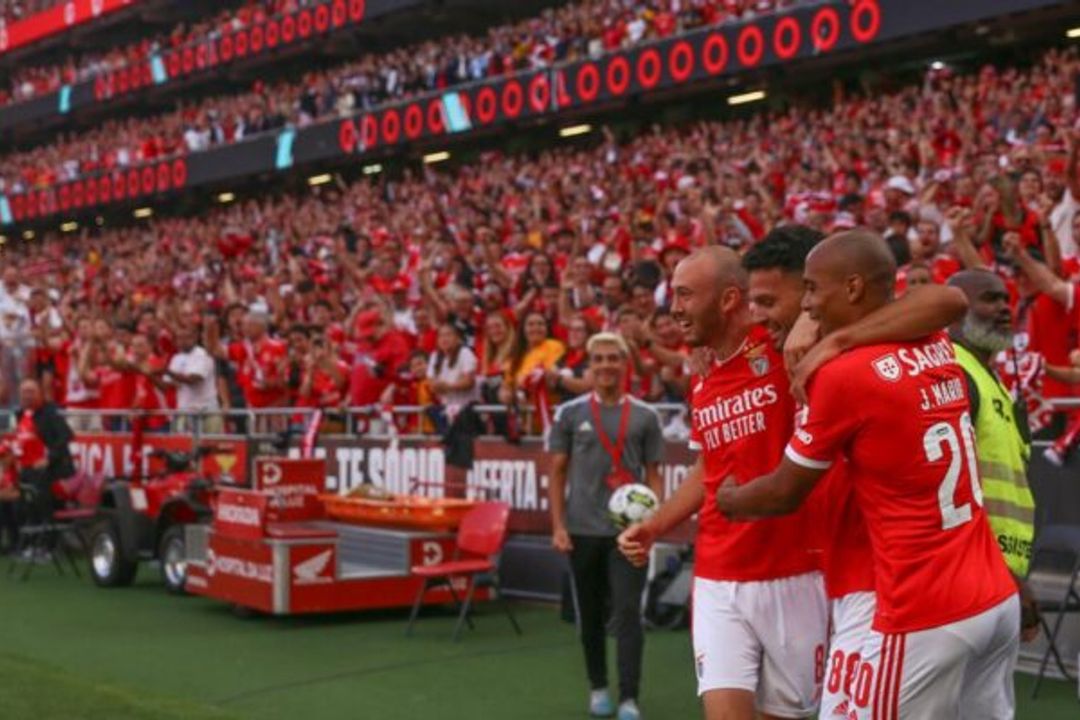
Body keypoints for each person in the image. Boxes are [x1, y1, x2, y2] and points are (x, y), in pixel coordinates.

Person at [717, 231, 1019, 719]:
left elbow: (782, 493)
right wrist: (834, 337)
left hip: (912, 600)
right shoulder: (932, 340)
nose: (810, 305)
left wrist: (728, 499)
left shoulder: (844, 372)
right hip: (990, 594)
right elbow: (944, 300)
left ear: (852, 287)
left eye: (812, 290)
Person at [618, 246, 828, 720]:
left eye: (686, 294)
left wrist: (809, 325)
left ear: (730, 298)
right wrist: (655, 526)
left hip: (794, 569)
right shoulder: (703, 374)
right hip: (717, 573)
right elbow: (708, 469)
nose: (674, 307)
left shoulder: (785, 348)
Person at [547, 332, 663, 720]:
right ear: (589, 367)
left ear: (625, 364)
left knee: (629, 613)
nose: (606, 366)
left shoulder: (646, 416)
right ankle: (598, 687)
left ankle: (629, 697)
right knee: (591, 616)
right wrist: (558, 526)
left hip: (629, 535)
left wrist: (653, 525)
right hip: (582, 531)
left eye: (614, 358)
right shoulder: (570, 413)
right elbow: (557, 471)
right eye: (598, 360)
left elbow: (654, 474)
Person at [948, 269, 1041, 643]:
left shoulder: (990, 379)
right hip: (973, 577)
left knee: (990, 705)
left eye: (1006, 299)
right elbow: (953, 490)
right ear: (952, 312)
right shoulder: (955, 374)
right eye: (989, 299)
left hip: (999, 578)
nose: (1005, 308)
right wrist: (1007, 577)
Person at [13, 378, 75, 523]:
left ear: (40, 394)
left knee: (38, 487)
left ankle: (46, 532)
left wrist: (48, 458)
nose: (27, 396)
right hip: (28, 467)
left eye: (31, 392)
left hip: (54, 468)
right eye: (24, 392)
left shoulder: (50, 412)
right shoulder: (21, 415)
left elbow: (66, 435)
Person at [428, 323, 480, 495]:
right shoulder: (436, 357)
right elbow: (431, 384)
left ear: (458, 338)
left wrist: (448, 386)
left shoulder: (465, 353)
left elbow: (468, 381)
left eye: (449, 335)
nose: (445, 339)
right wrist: (444, 386)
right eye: (441, 335)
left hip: (467, 409)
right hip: (447, 409)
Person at [165, 324, 221, 433]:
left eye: (187, 337)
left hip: (206, 412)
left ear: (195, 337)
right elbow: (167, 385)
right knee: (184, 447)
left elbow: (193, 379)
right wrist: (148, 373)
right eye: (180, 338)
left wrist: (167, 371)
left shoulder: (203, 354)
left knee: (211, 447)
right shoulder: (176, 358)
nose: (183, 341)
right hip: (185, 411)